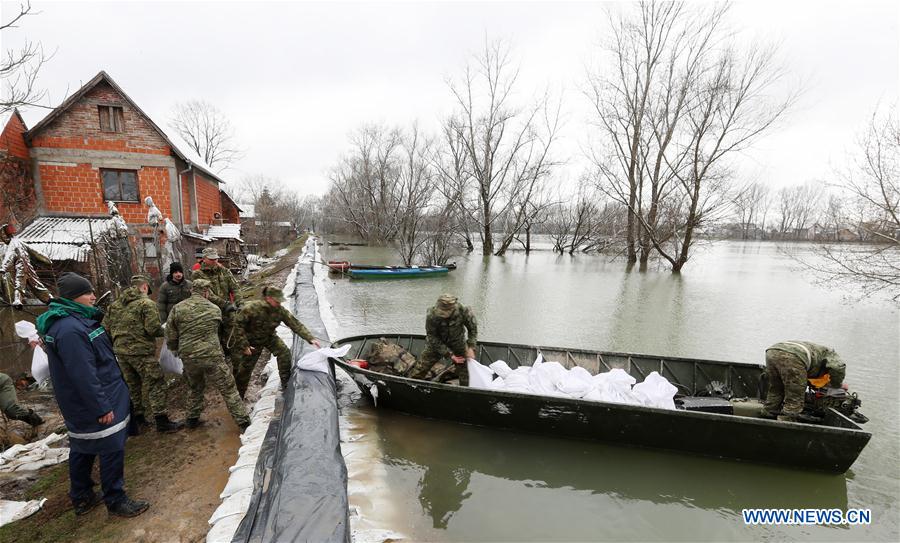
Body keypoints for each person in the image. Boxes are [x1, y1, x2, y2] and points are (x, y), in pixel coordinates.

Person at [36, 272, 149, 517]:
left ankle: (82, 496)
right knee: (111, 447)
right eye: (88, 293)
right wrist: (101, 407)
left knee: (83, 446)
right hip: (98, 400)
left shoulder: (74, 320)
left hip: (92, 398)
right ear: (74, 297)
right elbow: (82, 374)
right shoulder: (70, 329)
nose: (94, 296)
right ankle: (115, 499)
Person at [166, 279, 250, 431]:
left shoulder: (177, 309)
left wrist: (175, 349)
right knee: (229, 389)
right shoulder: (214, 309)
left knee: (195, 387)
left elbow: (171, 335)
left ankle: (191, 420)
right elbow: (220, 331)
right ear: (206, 292)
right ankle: (244, 423)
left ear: (192, 290)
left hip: (188, 356)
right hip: (212, 356)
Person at [105, 275, 182, 433]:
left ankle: (137, 420)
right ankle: (161, 421)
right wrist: (169, 331)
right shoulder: (146, 304)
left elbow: (105, 327)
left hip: (121, 353)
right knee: (156, 382)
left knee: (132, 385)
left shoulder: (115, 305)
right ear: (145, 287)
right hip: (141, 352)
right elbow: (153, 329)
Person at [232, 286, 321, 397]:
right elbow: (238, 326)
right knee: (244, 371)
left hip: (269, 337)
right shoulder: (251, 308)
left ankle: (286, 383)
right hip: (251, 342)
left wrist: (310, 338)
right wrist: (244, 346)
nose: (279, 303)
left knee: (284, 353)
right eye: (276, 300)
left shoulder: (280, 311)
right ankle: (238, 396)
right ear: (269, 298)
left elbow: (295, 324)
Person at [763, 340, 847, 422]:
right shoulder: (832, 355)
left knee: (776, 388)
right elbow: (838, 368)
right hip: (794, 356)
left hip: (773, 351)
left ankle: (768, 412)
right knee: (795, 394)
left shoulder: (818, 355)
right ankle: (787, 419)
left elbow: (805, 375)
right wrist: (837, 385)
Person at [408, 294, 478, 386]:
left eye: (445, 312)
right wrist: (450, 355)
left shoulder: (464, 311)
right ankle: (410, 387)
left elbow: (473, 329)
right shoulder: (431, 314)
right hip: (436, 344)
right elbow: (432, 337)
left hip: (458, 343)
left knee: (466, 375)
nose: (443, 314)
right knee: (420, 370)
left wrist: (471, 347)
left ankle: (464, 393)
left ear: (452, 309)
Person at [190, 247, 242, 361]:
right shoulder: (197, 275)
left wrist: (239, 302)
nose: (215, 261)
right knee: (213, 340)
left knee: (231, 337)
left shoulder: (225, 271)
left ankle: (232, 359)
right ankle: (217, 362)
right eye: (211, 259)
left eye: (216, 259)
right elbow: (208, 294)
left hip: (228, 312)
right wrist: (225, 304)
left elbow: (235, 287)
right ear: (204, 259)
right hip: (209, 313)